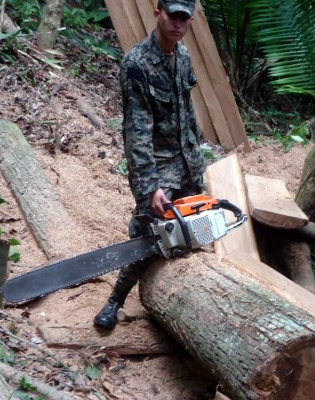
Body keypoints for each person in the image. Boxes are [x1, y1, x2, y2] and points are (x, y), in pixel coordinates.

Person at [93, 0, 206, 330]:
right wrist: (150, 185)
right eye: (173, 16)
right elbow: (136, 131)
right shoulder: (137, 63)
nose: (178, 24)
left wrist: (197, 156)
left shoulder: (182, 56)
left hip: (187, 159)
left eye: (185, 18)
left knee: (192, 228)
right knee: (145, 235)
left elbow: (187, 109)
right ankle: (116, 298)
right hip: (156, 165)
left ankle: (185, 301)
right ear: (158, 13)